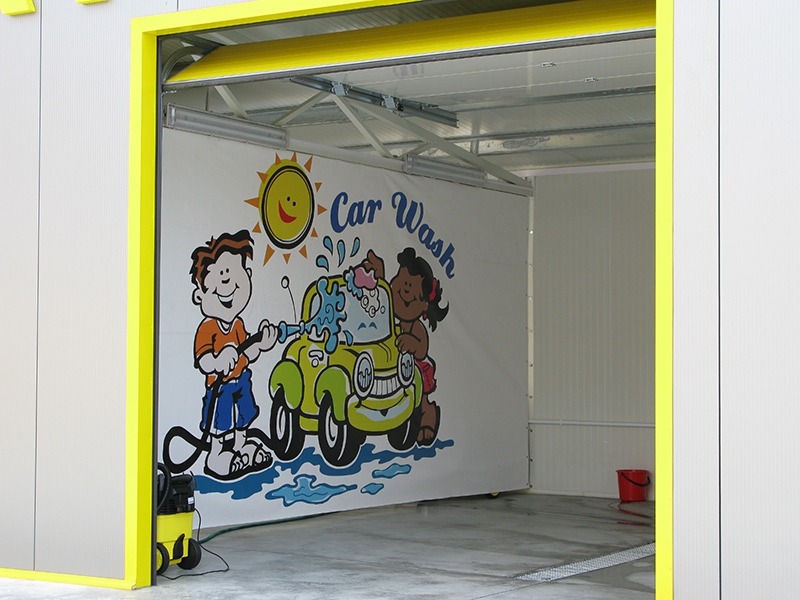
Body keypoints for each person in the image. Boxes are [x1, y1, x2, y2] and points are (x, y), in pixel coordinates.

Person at [189, 230, 279, 479]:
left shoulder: (238, 324)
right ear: (200, 295)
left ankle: (241, 447)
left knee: (244, 415)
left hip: (242, 381)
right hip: (221, 388)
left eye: (234, 277)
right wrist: (217, 361)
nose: (227, 284)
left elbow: (246, 351)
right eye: (218, 279)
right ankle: (217, 454)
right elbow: (204, 360)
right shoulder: (208, 327)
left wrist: (261, 344)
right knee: (221, 422)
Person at [362, 247, 448, 446]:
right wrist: (379, 276)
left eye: (410, 292)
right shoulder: (390, 320)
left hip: (416, 367)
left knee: (421, 398)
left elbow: (422, 349)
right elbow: (382, 299)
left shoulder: (416, 328)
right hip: (393, 368)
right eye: (398, 285)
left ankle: (427, 417)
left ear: (424, 305)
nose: (402, 291)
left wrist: (412, 343)